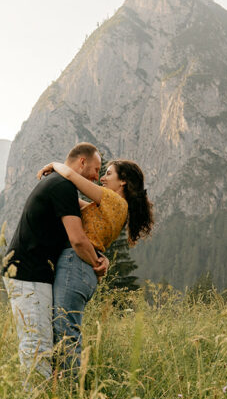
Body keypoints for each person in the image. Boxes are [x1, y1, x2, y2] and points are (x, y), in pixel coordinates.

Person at [2, 143, 109, 383]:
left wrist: (103, 258)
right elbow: (78, 240)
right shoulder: (63, 187)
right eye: (96, 169)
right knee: (36, 343)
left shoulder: (63, 186)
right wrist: (97, 265)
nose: (97, 177)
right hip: (27, 274)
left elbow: (81, 234)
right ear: (82, 162)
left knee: (42, 341)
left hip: (33, 272)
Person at [38, 158, 154, 374]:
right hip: (84, 269)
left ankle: (69, 395)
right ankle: (63, 390)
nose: (102, 177)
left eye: (109, 174)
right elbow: (75, 202)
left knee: (66, 333)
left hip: (76, 264)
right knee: (67, 329)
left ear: (123, 182)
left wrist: (54, 165)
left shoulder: (114, 200)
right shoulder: (112, 207)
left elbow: (72, 176)